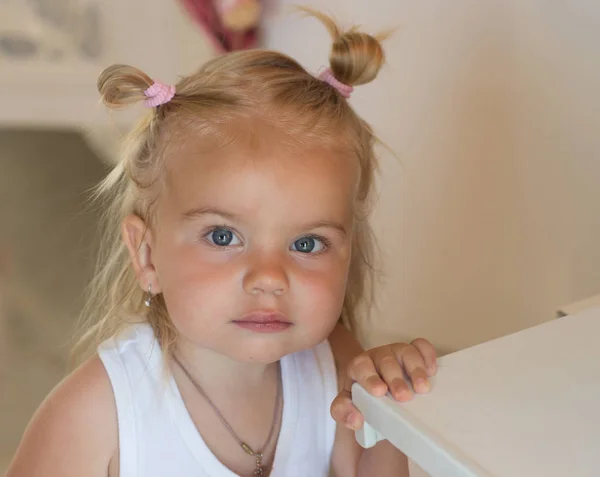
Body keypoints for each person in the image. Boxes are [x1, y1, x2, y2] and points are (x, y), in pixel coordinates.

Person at [6, 9, 438, 477]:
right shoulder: (97, 412)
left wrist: (388, 411)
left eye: (308, 243)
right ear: (147, 255)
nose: (270, 277)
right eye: (223, 236)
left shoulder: (335, 372)